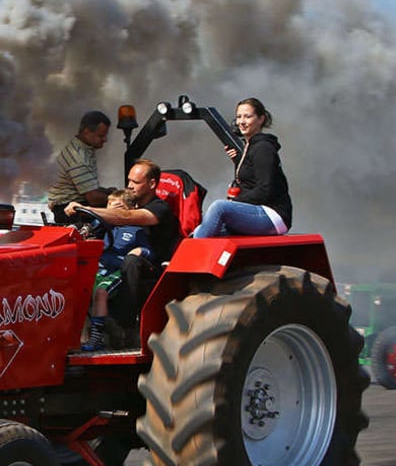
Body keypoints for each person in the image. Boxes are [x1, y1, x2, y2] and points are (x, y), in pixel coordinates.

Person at [66, 159, 181, 335]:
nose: (129, 186)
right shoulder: (126, 203)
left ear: (151, 184)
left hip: (152, 265)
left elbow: (125, 217)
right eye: (129, 181)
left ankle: (124, 322)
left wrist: (85, 208)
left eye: (135, 182)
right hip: (114, 263)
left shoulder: (159, 208)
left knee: (132, 260)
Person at [192, 97, 292, 238]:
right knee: (200, 231)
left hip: (273, 214)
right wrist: (238, 162)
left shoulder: (263, 148)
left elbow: (265, 189)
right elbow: (249, 181)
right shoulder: (249, 147)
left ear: (261, 119)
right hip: (258, 210)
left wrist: (235, 203)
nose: (241, 122)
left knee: (219, 208)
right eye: (239, 117)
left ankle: (194, 255)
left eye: (247, 116)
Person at [82, 189, 153, 351]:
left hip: (116, 271)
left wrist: (141, 251)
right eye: (109, 209)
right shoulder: (102, 227)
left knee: (100, 292)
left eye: (118, 208)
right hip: (98, 269)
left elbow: (149, 251)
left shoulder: (136, 231)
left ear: (131, 211)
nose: (112, 212)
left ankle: (96, 337)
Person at [47, 110, 113, 224]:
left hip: (74, 206)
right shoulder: (78, 157)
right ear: (86, 132)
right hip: (70, 213)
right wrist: (118, 199)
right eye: (101, 135)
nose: (105, 139)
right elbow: (94, 198)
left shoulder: (84, 149)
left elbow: (88, 187)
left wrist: (108, 192)